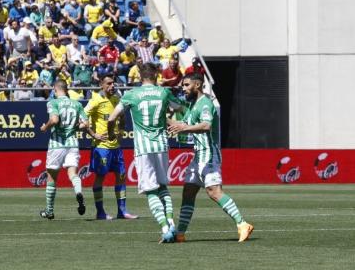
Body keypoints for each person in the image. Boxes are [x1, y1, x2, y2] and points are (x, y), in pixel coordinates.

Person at [168, 73, 254, 243]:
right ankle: (180, 234)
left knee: (214, 192)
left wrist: (183, 129)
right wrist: (163, 118)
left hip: (209, 154)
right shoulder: (193, 105)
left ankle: (243, 224)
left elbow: (206, 126)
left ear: (197, 85)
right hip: (199, 155)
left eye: (186, 85)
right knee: (188, 192)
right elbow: (182, 125)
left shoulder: (205, 103)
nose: (183, 89)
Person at [107, 63, 183, 243]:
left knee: (150, 190)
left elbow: (112, 117)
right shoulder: (163, 92)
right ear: (156, 76)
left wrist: (111, 132)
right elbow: (179, 107)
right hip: (162, 145)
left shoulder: (131, 95)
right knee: (163, 186)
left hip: (143, 148)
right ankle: (172, 222)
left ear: (141, 77)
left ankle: (165, 228)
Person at [85, 75, 138, 220]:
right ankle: (100, 212)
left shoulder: (116, 99)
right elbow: (82, 116)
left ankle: (122, 211)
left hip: (116, 147)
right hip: (101, 147)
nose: (112, 86)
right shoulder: (95, 99)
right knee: (100, 176)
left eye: (113, 83)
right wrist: (93, 134)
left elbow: (122, 117)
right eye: (108, 83)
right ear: (102, 84)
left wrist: (121, 130)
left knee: (121, 176)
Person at [39, 79, 89, 220]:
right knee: (73, 173)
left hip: (57, 143)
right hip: (73, 143)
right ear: (66, 89)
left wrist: (45, 127)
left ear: (55, 89)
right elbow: (85, 124)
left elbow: (54, 120)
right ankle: (78, 192)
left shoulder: (53, 102)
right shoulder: (77, 104)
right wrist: (73, 127)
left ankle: (49, 211)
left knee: (52, 177)